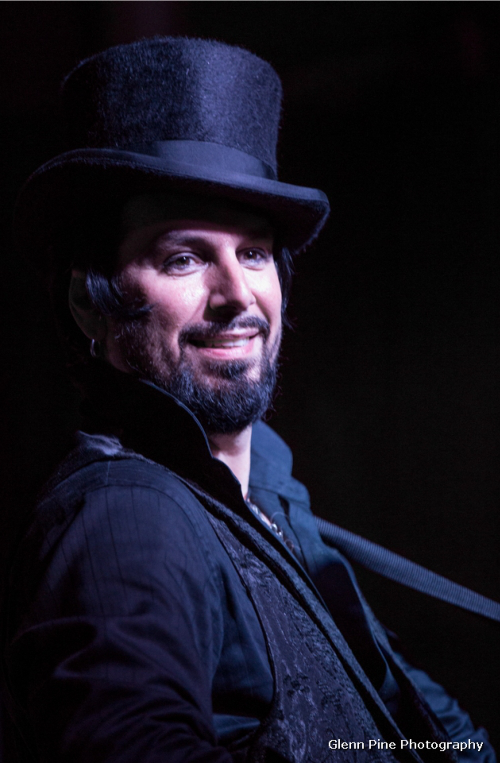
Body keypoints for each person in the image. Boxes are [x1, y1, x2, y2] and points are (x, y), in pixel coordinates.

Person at [1, 37, 496, 763]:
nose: (237, 295)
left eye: (255, 252)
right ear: (90, 303)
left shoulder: (271, 503)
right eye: (184, 257)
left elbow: (424, 729)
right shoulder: (126, 510)